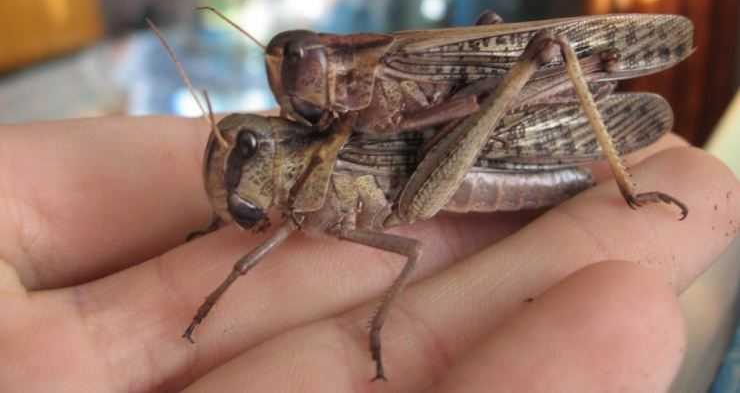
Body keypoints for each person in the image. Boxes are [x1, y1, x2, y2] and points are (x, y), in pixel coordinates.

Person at [0, 116, 737, 392]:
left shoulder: (324, 168)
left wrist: (376, 329)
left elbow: (407, 252)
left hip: (467, 176)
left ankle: (624, 173)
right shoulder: (292, 189)